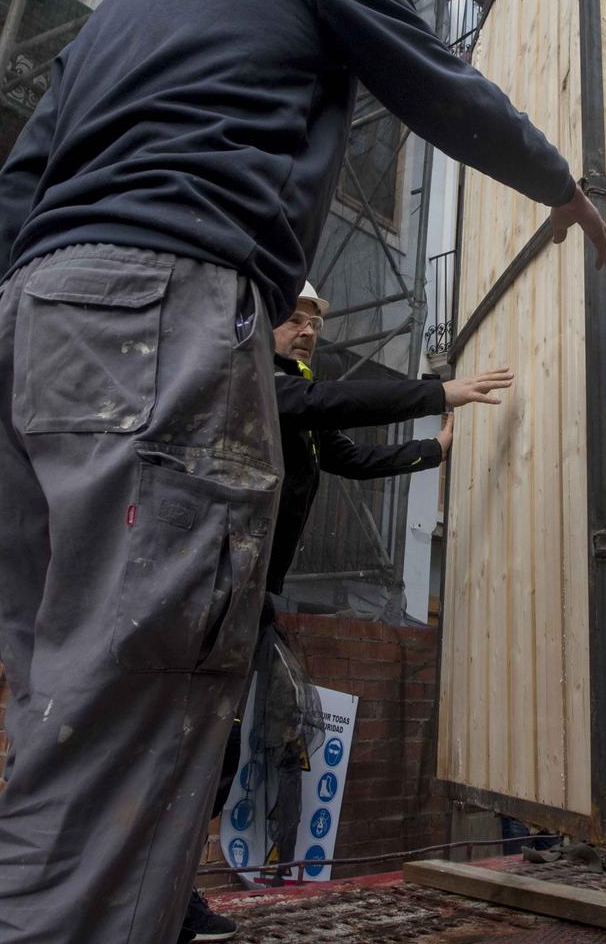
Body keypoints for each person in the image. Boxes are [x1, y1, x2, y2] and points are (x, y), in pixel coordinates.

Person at [0, 0, 606, 944]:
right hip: (160, 303)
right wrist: (561, 184)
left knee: (61, 694)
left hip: (30, 322)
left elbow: (16, 188)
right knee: (144, 679)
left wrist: (41, 316)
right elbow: (441, 86)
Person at [180, 281, 515, 940]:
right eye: (293, 318)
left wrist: (435, 449)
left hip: (249, 598)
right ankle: (146, 895)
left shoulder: (296, 397)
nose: (306, 330)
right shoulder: (250, 381)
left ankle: (171, 893)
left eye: (313, 321)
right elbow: (328, 400)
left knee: (217, 751)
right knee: (193, 746)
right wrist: (436, 391)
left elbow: (352, 457)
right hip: (209, 592)